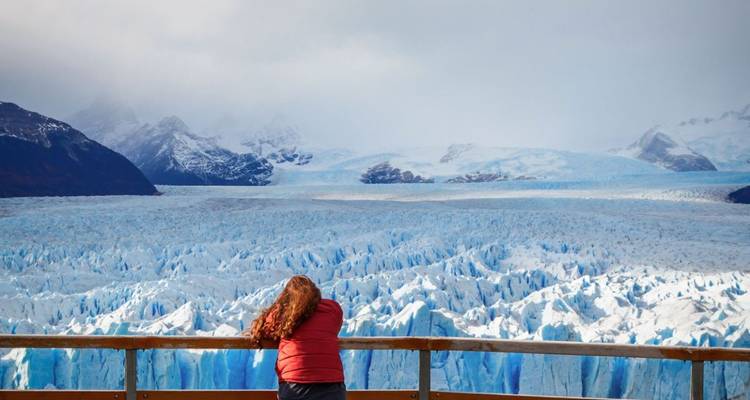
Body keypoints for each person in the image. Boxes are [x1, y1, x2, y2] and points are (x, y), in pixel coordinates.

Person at [244, 275, 346, 400]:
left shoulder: (282, 314)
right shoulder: (332, 309)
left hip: (294, 385)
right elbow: (335, 325)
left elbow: (265, 328)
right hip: (332, 386)